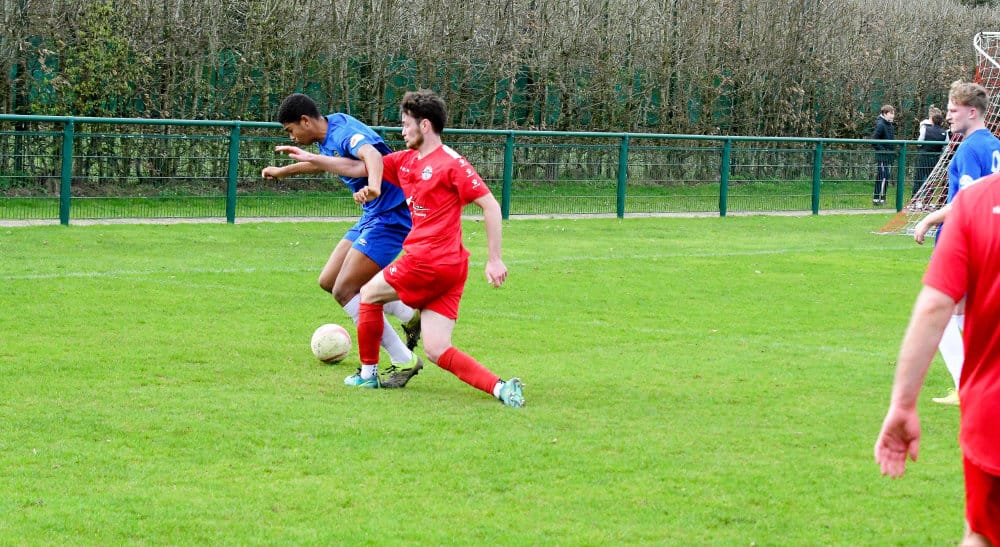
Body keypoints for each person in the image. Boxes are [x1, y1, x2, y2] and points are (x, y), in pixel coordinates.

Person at [288, 89, 525, 406]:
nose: (402, 131)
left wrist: (495, 259)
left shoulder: (451, 164)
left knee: (367, 294)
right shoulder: (405, 161)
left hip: (426, 260)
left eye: (405, 125)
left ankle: (369, 374)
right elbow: (357, 168)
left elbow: (491, 205)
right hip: (453, 268)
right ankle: (502, 388)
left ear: (424, 125)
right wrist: (314, 160)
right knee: (437, 349)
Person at [261, 93, 423, 387]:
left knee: (345, 290)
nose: (292, 137)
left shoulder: (344, 132)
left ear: (305, 121)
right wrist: (283, 172)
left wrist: (374, 186)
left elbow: (372, 156)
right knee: (328, 281)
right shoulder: (328, 133)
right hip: (372, 215)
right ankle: (408, 313)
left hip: (391, 216)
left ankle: (403, 359)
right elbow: (326, 163)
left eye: (290, 130)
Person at [874, 170, 1000, 546]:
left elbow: (934, 307)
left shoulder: (976, 202)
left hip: (992, 418)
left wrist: (902, 405)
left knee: (981, 535)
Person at [913, 81, 1000, 406]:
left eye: (953, 110)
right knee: (965, 312)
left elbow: (966, 202)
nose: (948, 116)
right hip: (989, 240)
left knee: (939, 315)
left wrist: (928, 219)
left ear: (971, 112)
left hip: (964, 241)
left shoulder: (969, 149)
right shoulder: (995, 145)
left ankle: (967, 386)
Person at [913, 105, 947, 197]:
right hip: (935, 157)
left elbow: (919, 143)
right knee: (931, 178)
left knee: (919, 177)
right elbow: (945, 147)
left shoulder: (924, 128)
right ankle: (927, 199)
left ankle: (915, 198)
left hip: (924, 155)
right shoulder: (944, 132)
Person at [872, 104, 896, 206]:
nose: (893, 116)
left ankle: (881, 198)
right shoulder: (881, 125)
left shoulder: (889, 125)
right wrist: (883, 150)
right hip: (882, 156)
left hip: (888, 156)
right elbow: (874, 140)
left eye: (893, 113)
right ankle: (878, 198)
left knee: (885, 176)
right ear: (885, 113)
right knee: (883, 175)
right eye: (891, 113)